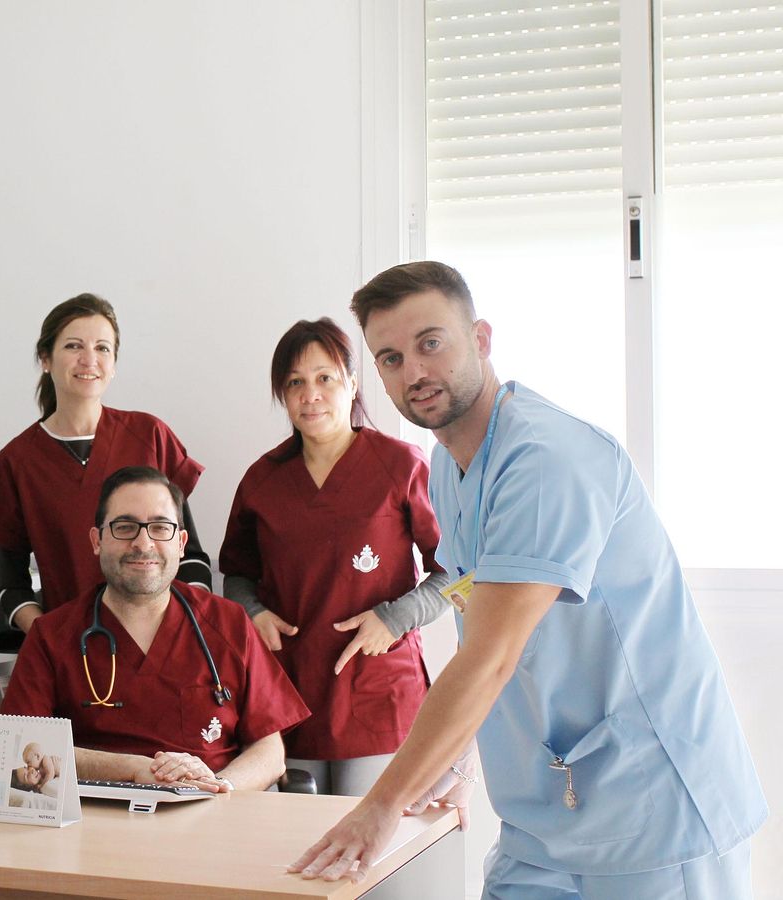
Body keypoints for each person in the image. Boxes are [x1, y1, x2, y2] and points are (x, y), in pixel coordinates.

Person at [292, 262, 767, 896]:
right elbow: (482, 623)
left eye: (431, 343)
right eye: (391, 358)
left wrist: (381, 806)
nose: (414, 372)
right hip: (546, 812)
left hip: (655, 806)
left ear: (481, 339)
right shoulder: (449, 466)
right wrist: (458, 760)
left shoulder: (545, 459)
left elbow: (491, 658)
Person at [219, 317, 450, 797]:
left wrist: (396, 618)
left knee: (366, 834)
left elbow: (459, 573)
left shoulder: (402, 465)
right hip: (289, 689)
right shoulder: (262, 481)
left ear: (352, 383)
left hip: (378, 691)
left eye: (325, 378)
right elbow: (237, 575)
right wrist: (253, 613)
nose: (311, 395)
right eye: (295, 383)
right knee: (297, 836)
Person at [1, 467, 310, 792]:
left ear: (181, 543)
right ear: (97, 541)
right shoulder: (52, 636)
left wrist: (218, 787)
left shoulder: (229, 624)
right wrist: (134, 769)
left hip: (212, 811)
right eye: (124, 527)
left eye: (160, 528)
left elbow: (270, 752)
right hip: (98, 813)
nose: (143, 543)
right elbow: (22, 745)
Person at [0, 294, 211, 634]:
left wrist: (185, 626)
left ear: (114, 363)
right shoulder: (18, 461)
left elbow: (191, 557)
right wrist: (52, 640)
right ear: (45, 359)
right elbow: (12, 587)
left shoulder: (150, 436)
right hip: (74, 647)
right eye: (73, 346)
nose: (89, 359)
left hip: (164, 638)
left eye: (102, 348)